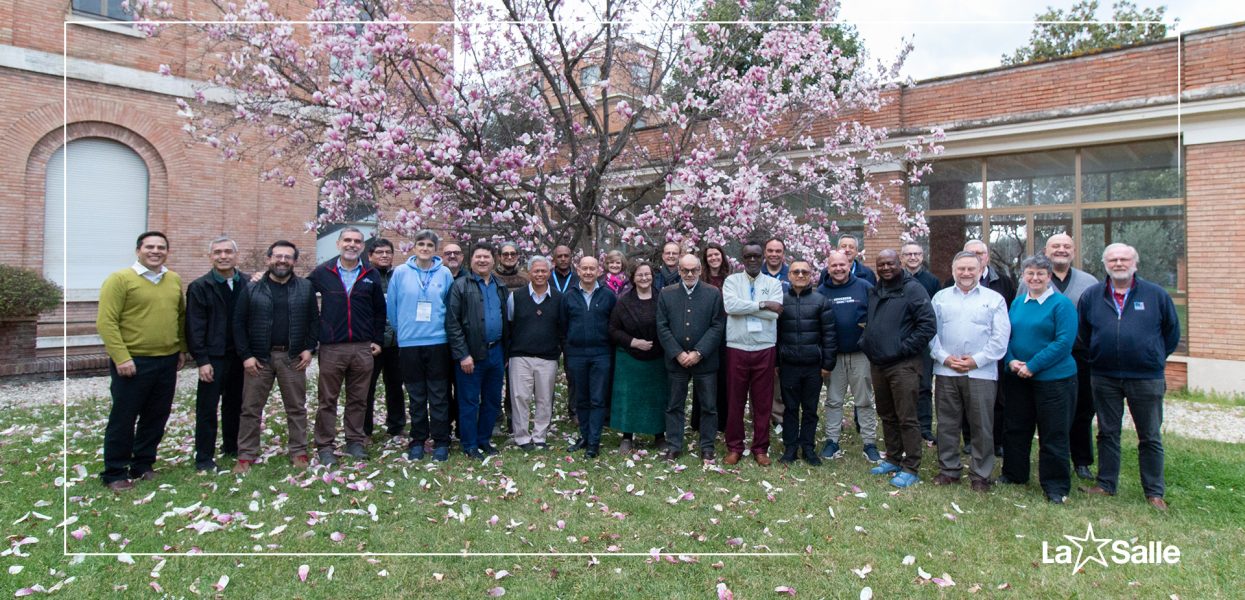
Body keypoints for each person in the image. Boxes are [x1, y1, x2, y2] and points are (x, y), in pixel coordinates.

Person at [1078, 243, 1180, 511]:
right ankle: (1106, 484)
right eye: (1113, 260)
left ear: (1135, 263)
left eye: (1124, 259)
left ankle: (1154, 492)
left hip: (1145, 377)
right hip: (1105, 375)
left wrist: (1152, 356)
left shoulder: (1156, 295)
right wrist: (1100, 356)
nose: (1119, 264)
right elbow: (1084, 334)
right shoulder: (1092, 296)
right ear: (1105, 265)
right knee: (1107, 432)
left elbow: (1171, 333)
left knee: (1149, 435)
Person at [96, 231, 186, 491]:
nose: (155, 251)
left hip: (166, 360)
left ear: (167, 251)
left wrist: (180, 348)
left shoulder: (173, 279)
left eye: (161, 247)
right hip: (133, 362)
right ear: (138, 250)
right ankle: (115, 472)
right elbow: (106, 322)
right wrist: (121, 357)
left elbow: (179, 316)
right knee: (124, 417)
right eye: (149, 247)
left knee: (156, 416)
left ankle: (143, 464)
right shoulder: (120, 279)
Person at [233, 241, 318, 473]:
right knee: (251, 408)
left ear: (294, 262)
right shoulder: (251, 288)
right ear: (268, 259)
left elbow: (314, 321)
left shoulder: (305, 288)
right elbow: (238, 324)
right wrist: (246, 356)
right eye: (278, 256)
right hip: (259, 359)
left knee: (297, 408)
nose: (282, 260)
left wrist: (310, 348)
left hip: (292, 357)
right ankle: (246, 455)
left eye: (288, 257)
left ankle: (299, 451)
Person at [929, 251, 1011, 492]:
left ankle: (980, 475)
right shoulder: (940, 298)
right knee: (946, 423)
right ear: (953, 271)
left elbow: (1000, 338)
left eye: (970, 269)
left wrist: (975, 361)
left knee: (982, 425)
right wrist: (944, 358)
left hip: (981, 373)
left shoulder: (994, 299)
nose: (966, 273)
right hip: (946, 371)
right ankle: (949, 470)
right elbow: (930, 333)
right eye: (961, 269)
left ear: (980, 269)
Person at [999, 254, 1078, 504]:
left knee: (1053, 433)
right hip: (1017, 376)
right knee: (1016, 428)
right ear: (1024, 276)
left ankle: (1055, 485)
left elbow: (1064, 342)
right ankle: (1014, 473)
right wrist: (1011, 361)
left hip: (1054, 379)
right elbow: (1006, 336)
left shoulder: (1061, 305)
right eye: (1030, 273)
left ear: (1049, 276)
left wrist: (1033, 365)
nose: (1035, 278)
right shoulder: (1018, 303)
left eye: (1040, 274)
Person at [307, 227, 387, 466]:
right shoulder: (323, 272)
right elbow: (300, 292)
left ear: (363, 247)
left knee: (358, 398)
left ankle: (354, 441)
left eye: (357, 242)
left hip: (362, 348)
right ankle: (325, 445)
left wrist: (377, 340)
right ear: (339, 244)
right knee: (327, 399)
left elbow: (379, 312)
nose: (352, 245)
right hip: (332, 347)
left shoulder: (370, 274)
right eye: (348, 240)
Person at [860, 249, 936, 488]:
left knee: (907, 417)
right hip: (878, 364)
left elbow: (928, 326)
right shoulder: (876, 290)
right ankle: (893, 458)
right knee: (887, 414)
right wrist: (866, 343)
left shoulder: (913, 289)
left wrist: (903, 348)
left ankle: (911, 466)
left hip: (903, 365)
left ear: (899, 263)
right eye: (880, 264)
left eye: (890, 263)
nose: (885, 268)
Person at [388, 230, 456, 462]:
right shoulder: (400, 273)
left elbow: (450, 307)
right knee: (416, 395)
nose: (425, 248)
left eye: (429, 245)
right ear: (414, 247)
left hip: (438, 341)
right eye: (421, 244)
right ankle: (417, 439)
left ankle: (441, 440)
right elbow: (393, 308)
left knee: (438, 394)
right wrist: (404, 332)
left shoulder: (445, 273)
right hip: (409, 343)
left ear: (435, 249)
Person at [656, 254, 726, 462]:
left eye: (693, 270)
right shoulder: (666, 294)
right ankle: (674, 445)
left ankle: (707, 447)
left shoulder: (713, 293)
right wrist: (677, 352)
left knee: (708, 406)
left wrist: (699, 352)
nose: (689, 274)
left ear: (699, 271)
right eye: (685, 270)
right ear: (678, 270)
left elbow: (717, 325)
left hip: (704, 360)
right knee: (674, 405)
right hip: (676, 361)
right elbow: (662, 325)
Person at [185, 236, 247, 473]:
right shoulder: (200, 287)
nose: (223, 256)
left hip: (240, 357)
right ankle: (204, 457)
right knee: (208, 408)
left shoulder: (247, 283)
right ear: (210, 256)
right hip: (213, 358)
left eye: (228, 252)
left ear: (236, 255)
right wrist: (202, 360)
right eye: (218, 252)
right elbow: (195, 326)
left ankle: (232, 446)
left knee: (236, 404)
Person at [721, 241, 785, 466]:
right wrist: (762, 305)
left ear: (763, 258)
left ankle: (760, 448)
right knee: (735, 401)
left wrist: (749, 307)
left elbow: (775, 315)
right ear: (742, 258)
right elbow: (730, 307)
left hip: (764, 347)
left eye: (756, 256)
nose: (752, 260)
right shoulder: (731, 281)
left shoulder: (774, 283)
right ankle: (735, 447)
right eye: (748, 256)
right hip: (737, 347)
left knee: (762, 401)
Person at [446, 243, 510, 459]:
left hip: (496, 353)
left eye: (486, 257)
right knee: (469, 401)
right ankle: (469, 444)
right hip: (470, 356)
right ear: (470, 260)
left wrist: (506, 353)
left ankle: (484, 439)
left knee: (492, 400)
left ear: (494, 260)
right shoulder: (460, 286)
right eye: (478, 257)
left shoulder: (499, 286)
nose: (482, 261)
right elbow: (452, 323)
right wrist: (463, 354)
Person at [1044, 233, 1100, 481]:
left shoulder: (1089, 282)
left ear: (1074, 252)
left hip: (1080, 356)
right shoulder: (1036, 279)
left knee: (1083, 408)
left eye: (1066, 246)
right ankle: (1056, 457)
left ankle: (1082, 460)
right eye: (1056, 246)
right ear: (1047, 252)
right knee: (1051, 410)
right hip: (1045, 356)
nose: (1061, 250)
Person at [816, 250, 881, 463]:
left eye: (842, 265)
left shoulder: (865, 287)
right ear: (828, 267)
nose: (838, 269)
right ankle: (832, 441)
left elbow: (876, 318)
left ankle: (869, 443)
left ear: (849, 264)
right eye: (834, 265)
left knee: (864, 400)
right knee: (834, 400)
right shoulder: (821, 291)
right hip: (834, 356)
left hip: (860, 355)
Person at [956, 239, 1017, 458]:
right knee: (964, 398)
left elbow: (1009, 318)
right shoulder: (951, 282)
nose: (976, 256)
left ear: (987, 257)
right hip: (961, 354)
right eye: (970, 253)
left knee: (997, 397)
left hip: (992, 353)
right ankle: (970, 439)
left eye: (980, 253)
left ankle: (997, 440)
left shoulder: (1003, 282)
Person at [776, 259, 836, 465]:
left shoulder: (821, 301)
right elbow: (775, 335)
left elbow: (829, 335)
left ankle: (808, 448)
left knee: (810, 409)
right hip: (789, 365)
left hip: (813, 365)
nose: (800, 275)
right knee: (790, 408)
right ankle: (790, 447)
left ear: (811, 275)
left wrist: (827, 364)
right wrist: (776, 362)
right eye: (796, 272)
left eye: (804, 272)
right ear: (789, 276)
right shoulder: (781, 301)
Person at [560, 255, 618, 458]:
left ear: (599, 271)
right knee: (581, 399)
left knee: (597, 399)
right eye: (584, 268)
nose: (588, 272)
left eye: (592, 268)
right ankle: (584, 436)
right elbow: (563, 326)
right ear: (578, 270)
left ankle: (594, 441)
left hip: (601, 354)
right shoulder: (569, 296)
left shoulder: (609, 296)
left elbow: (614, 325)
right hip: (576, 354)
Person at [609, 261, 667, 454]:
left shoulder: (663, 298)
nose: (644, 278)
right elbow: (613, 329)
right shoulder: (624, 301)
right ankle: (627, 436)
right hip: (630, 358)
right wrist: (633, 341)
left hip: (658, 358)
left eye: (648, 274)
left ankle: (659, 435)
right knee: (629, 398)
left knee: (658, 398)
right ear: (633, 278)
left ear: (653, 276)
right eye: (640, 275)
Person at [507, 256, 562, 451]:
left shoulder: (558, 298)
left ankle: (539, 436)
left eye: (543, 271)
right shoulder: (516, 297)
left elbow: (561, 327)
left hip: (547, 357)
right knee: (520, 397)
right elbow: (509, 324)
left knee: (544, 398)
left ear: (549, 273)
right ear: (529, 273)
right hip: (520, 355)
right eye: (536, 271)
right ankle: (522, 437)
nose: (540, 274)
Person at [364, 238, 405, 438]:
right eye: (379, 252)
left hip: (396, 342)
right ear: (370, 256)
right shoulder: (364, 275)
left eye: (388, 252)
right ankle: (365, 430)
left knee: (396, 385)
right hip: (372, 342)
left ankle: (396, 427)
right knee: (366, 387)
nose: (384, 255)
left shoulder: (399, 275)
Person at [901, 242, 940, 445]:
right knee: (904, 386)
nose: (913, 257)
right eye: (909, 254)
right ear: (902, 257)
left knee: (924, 385)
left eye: (916, 253)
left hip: (924, 341)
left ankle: (924, 427)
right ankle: (906, 425)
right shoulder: (896, 279)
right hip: (903, 340)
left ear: (922, 256)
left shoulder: (932, 281)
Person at [691, 242, 730, 434]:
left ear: (722, 256)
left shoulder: (729, 279)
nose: (714, 258)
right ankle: (699, 421)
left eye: (717, 255)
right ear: (705, 260)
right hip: (705, 333)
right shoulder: (700, 280)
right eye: (710, 256)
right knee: (703, 377)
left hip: (726, 334)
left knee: (723, 378)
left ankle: (722, 421)